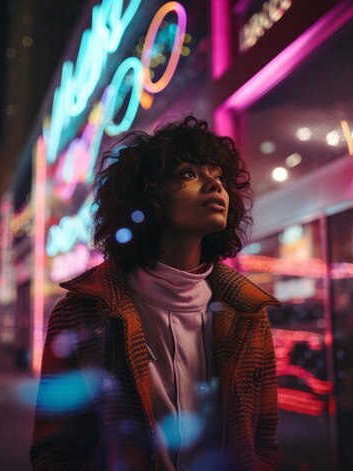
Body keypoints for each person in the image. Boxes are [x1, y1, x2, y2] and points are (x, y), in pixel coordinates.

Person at [30, 116, 281, 470]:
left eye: (219, 176)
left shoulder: (249, 313)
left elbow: (264, 443)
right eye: (188, 173)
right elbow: (55, 452)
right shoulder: (83, 313)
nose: (214, 184)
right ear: (146, 195)